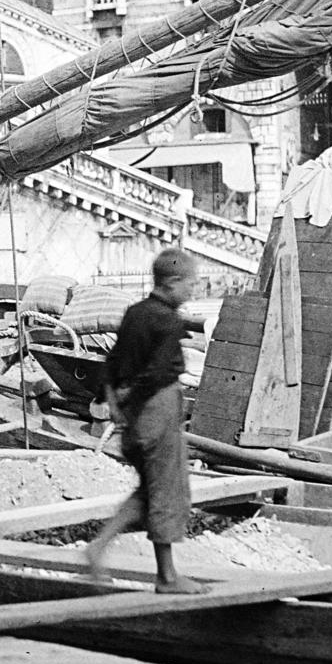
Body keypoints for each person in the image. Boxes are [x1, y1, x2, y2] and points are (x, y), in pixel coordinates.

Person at [88, 246, 210, 594]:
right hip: (156, 412)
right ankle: (168, 577)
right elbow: (158, 373)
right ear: (172, 283)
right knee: (167, 495)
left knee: (148, 491)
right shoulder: (169, 321)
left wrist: (113, 399)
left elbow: (112, 361)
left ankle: (98, 547)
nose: (192, 291)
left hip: (134, 420)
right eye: (190, 284)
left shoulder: (134, 313)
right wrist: (132, 396)